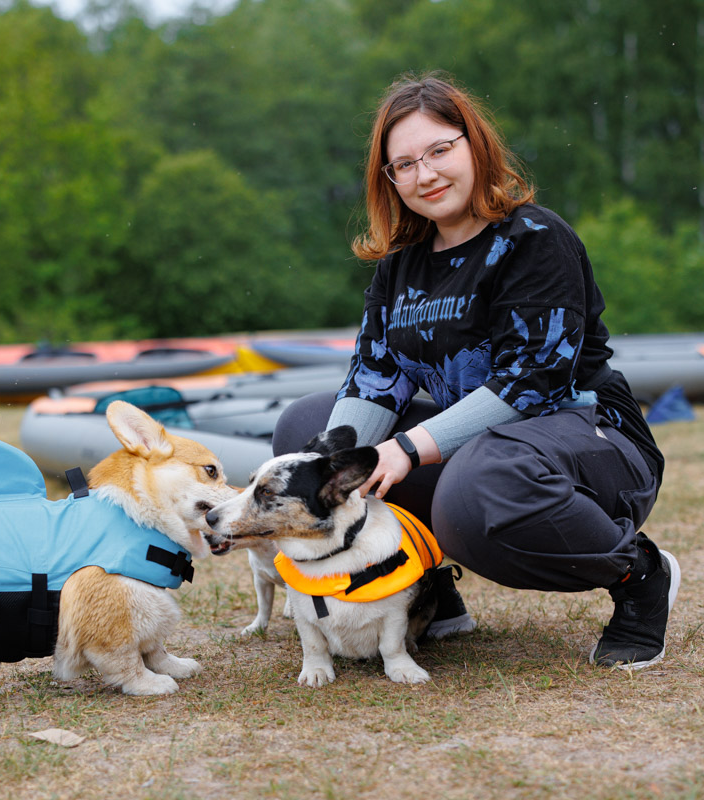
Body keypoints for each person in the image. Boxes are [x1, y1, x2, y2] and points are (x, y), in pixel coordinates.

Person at [272, 72, 679, 670]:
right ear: (389, 179)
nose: (426, 174)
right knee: (303, 429)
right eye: (404, 164)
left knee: (479, 486)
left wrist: (408, 448)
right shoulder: (400, 267)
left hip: (592, 444)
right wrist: (322, 462)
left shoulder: (535, 239)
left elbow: (532, 382)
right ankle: (426, 591)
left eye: (440, 150)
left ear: (475, 145)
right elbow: (373, 376)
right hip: (484, 449)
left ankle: (639, 573)